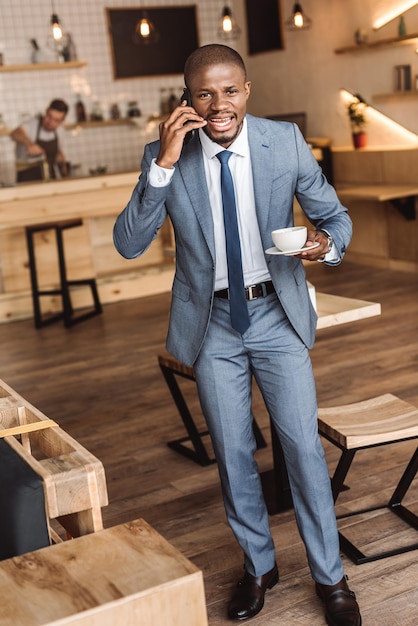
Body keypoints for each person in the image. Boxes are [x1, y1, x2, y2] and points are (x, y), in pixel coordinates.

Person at [113, 44, 361, 626]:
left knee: (301, 447)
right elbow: (129, 243)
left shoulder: (285, 142)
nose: (218, 103)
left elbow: (336, 217)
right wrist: (165, 163)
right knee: (232, 454)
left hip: (276, 313)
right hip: (213, 325)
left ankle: (331, 577)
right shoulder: (164, 156)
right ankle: (259, 565)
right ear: (187, 100)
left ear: (247, 90)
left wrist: (326, 245)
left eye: (229, 90)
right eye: (204, 93)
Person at [11, 99, 69, 182]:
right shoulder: (32, 124)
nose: (50, 122)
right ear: (46, 111)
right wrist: (29, 144)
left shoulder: (60, 131)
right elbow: (15, 133)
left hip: (50, 180)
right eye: (49, 116)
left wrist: (65, 176)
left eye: (56, 120)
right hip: (27, 181)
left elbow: (58, 154)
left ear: (62, 121)